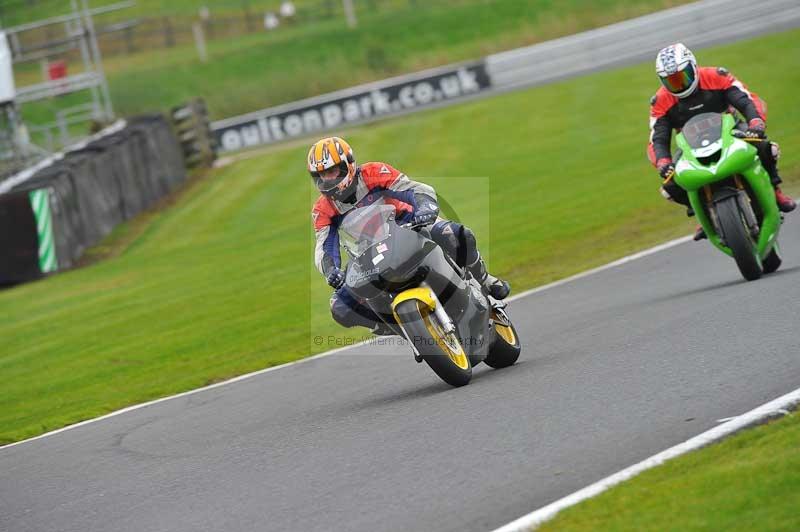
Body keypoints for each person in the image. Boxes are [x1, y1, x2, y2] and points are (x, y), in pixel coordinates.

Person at [309, 136, 510, 334]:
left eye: (332, 171)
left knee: (457, 234)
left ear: (348, 165)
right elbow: (324, 246)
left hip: (409, 224)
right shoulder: (323, 209)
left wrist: (426, 207)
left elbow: (412, 189)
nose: (327, 179)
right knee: (340, 306)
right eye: (321, 175)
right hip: (369, 250)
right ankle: (390, 326)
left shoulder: (373, 173)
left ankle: (485, 280)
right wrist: (330, 270)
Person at [648, 43, 795, 240]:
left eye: (683, 77)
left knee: (766, 147)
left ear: (693, 67)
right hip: (690, 144)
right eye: (671, 81)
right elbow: (658, 137)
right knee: (670, 185)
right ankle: (702, 213)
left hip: (731, 130)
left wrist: (756, 122)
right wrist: (663, 162)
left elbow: (744, 99)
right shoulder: (660, 100)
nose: (679, 84)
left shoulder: (715, 76)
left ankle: (775, 190)